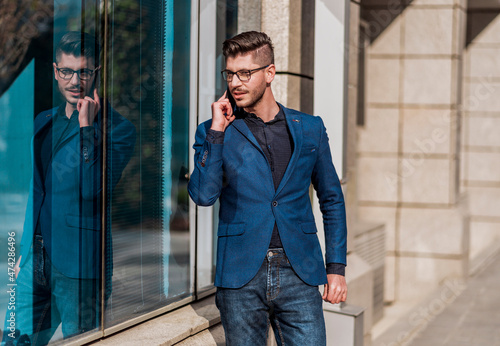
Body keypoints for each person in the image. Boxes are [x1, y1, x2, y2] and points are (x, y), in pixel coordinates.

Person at [188, 31, 348, 345]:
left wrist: (336, 267)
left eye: (245, 73)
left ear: (269, 73)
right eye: (230, 73)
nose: (235, 82)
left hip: (299, 269)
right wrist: (217, 133)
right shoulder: (213, 131)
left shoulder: (309, 128)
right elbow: (203, 195)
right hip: (240, 275)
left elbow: (332, 199)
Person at [1, 31, 136, 345]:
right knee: (14, 339)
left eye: (84, 72)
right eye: (67, 71)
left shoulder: (117, 129)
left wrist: (87, 127)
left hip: (79, 266)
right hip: (35, 259)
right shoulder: (43, 122)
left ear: (96, 73)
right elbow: (38, 192)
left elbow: (93, 190)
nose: (75, 80)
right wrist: (24, 250)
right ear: (55, 70)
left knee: (80, 341)